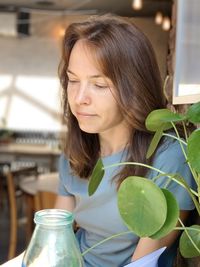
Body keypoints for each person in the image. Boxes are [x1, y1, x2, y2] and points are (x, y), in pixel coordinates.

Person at [54, 14, 195, 267]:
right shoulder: (76, 154)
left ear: (134, 87)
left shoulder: (168, 157)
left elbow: (143, 263)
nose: (79, 98)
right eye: (73, 80)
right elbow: (56, 240)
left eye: (98, 84)